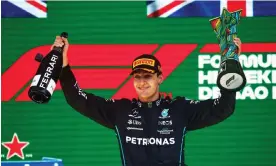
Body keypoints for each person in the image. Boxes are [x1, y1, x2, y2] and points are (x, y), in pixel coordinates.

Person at [54, 36, 242, 166]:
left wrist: (230, 63)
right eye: (137, 77)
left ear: (160, 78)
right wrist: (63, 64)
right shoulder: (120, 111)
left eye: (148, 76)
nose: (142, 82)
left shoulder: (180, 109)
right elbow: (77, 99)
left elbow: (222, 109)